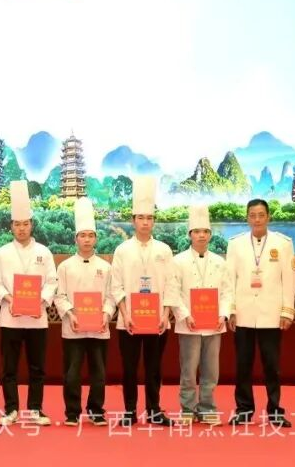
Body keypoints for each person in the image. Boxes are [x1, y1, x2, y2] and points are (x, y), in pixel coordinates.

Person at [110, 176, 174, 426]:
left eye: (149, 218)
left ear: (154, 220)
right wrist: (125, 314)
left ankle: (154, 409)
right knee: (129, 368)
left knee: (154, 367)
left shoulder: (164, 250)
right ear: (133, 220)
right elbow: (116, 286)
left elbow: (171, 284)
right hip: (130, 321)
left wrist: (165, 315)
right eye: (141, 218)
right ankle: (129, 411)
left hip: (157, 320)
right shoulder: (122, 250)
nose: (145, 222)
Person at [0, 181, 56, 426]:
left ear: (31, 224)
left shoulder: (44, 252)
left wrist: (40, 300)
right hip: (11, 318)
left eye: (25, 224)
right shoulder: (2, 253)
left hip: (37, 318)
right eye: (17, 224)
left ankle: (35, 410)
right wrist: (10, 299)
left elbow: (52, 281)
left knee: (37, 368)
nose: (21, 228)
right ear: (11, 226)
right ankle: (11, 410)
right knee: (9, 368)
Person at [227, 198, 295, 428]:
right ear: (247, 218)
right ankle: (244, 410)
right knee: (243, 365)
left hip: (271, 315)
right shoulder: (235, 244)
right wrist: (231, 310)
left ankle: (275, 411)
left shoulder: (283, 243)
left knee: (272, 366)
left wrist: (287, 311)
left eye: (261, 215)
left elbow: (289, 279)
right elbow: (229, 280)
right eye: (252, 215)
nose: (257, 219)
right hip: (243, 313)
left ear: (268, 217)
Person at [53, 197, 115, 427]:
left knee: (99, 373)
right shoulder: (65, 266)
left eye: (91, 235)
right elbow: (59, 296)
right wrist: (71, 314)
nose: (87, 239)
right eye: (83, 235)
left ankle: (96, 410)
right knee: (72, 373)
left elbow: (111, 297)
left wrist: (106, 315)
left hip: (99, 328)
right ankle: (72, 412)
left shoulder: (105, 267)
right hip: (74, 328)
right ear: (76, 238)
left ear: (96, 238)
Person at [168, 205, 233, 424]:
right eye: (197, 231)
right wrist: (185, 315)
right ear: (190, 234)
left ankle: (207, 408)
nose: (201, 235)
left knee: (211, 371)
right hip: (190, 325)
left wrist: (223, 315)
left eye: (205, 231)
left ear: (210, 235)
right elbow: (173, 291)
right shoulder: (178, 261)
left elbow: (227, 292)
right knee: (188, 370)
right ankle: (187, 409)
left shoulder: (220, 262)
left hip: (214, 325)